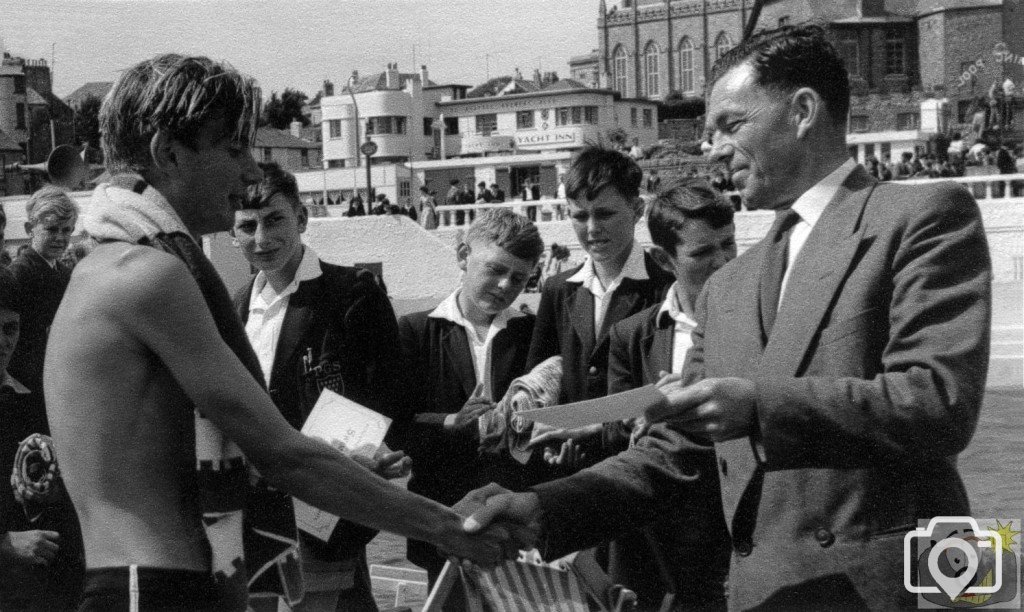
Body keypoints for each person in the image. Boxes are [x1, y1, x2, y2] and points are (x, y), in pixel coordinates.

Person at [461, 24, 990, 611]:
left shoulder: (923, 215)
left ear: (803, 112)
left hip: (893, 588)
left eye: (731, 125)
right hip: (763, 591)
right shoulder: (730, 286)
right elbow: (677, 451)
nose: (713, 148)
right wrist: (542, 508)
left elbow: (939, 402)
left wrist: (758, 408)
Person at [44, 53, 509, 611]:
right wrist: (450, 526)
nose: (249, 174)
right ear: (169, 152)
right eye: (233, 150)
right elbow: (281, 456)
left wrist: (346, 468)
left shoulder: (102, 267)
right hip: (159, 592)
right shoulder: (150, 276)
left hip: (132, 583)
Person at [231, 162, 410, 611]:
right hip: (259, 504)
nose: (261, 238)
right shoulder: (236, 306)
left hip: (327, 495)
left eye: (274, 220)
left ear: (302, 219)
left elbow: (388, 393)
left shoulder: (352, 292)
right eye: (247, 226)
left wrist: (365, 461)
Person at [602, 180, 735, 610]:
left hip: (736, 534)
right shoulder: (631, 335)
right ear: (664, 259)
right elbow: (615, 436)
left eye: (729, 244)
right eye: (703, 253)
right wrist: (645, 415)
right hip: (661, 544)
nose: (723, 261)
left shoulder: (761, 318)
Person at [394, 208, 544, 589]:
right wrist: (450, 422)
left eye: (519, 278)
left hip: (512, 524)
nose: (505, 285)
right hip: (442, 513)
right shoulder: (415, 330)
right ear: (463, 256)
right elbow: (395, 426)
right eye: (495, 269)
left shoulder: (532, 333)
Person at [525, 145, 672, 467]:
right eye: (580, 216)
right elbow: (540, 381)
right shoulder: (558, 289)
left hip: (640, 463)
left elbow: (664, 391)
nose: (592, 228)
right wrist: (551, 442)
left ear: (637, 209)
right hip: (573, 467)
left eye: (605, 214)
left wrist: (585, 426)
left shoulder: (665, 288)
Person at [0, 268, 85, 610]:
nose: (2, 342)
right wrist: (5, 545)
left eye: (10, 329)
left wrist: (56, 492)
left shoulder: (36, 401)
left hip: (45, 589)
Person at [8, 186, 78, 396]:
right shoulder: (17, 275)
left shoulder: (66, 274)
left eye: (66, 230)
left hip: (58, 378)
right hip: (29, 385)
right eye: (51, 229)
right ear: (30, 228)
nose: (60, 238)